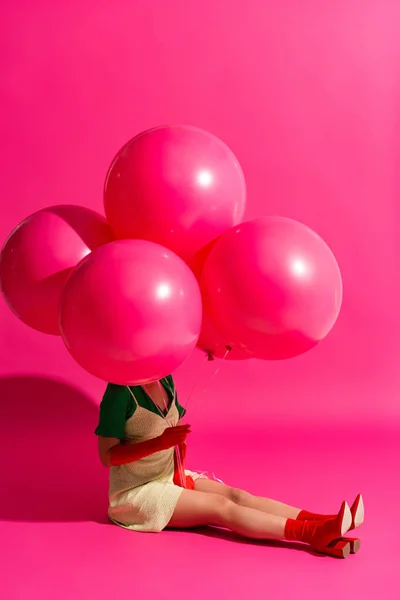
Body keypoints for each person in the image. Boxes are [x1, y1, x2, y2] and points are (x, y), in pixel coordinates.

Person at [95, 375, 364, 558]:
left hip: (170, 475)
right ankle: (312, 534)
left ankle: (325, 521)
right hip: (138, 492)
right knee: (222, 509)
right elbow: (108, 457)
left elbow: (174, 437)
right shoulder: (120, 391)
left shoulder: (166, 378)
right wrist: (160, 443)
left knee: (239, 496)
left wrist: (178, 468)